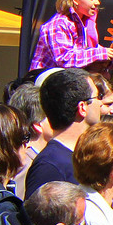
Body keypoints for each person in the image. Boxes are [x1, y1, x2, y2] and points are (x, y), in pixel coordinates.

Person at [21, 69, 101, 201]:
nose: (100, 103)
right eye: (97, 97)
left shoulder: (83, 156)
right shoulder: (49, 167)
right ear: (82, 107)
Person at [29, 0, 113, 73]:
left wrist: (105, 59)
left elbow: (86, 52)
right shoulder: (59, 24)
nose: (97, 2)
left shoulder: (85, 24)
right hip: (45, 84)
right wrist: (100, 53)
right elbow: (64, 59)